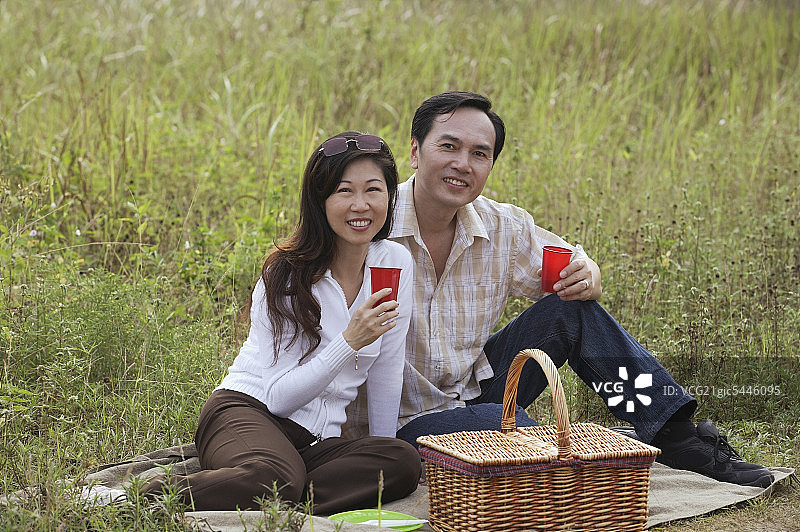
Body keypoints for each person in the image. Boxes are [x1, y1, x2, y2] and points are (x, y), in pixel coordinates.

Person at [344, 91, 773, 488]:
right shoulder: (368, 222)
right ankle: (556, 448)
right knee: (510, 430)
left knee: (571, 310)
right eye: (449, 146)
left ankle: (675, 435)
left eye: (480, 153)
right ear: (416, 152)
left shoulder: (503, 226)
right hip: (396, 424)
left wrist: (590, 274)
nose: (463, 164)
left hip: (475, 390)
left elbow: (574, 265)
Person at [141, 132, 421, 512]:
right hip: (247, 411)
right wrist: (349, 341)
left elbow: (387, 369)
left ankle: (270, 498)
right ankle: (142, 496)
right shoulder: (288, 276)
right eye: (344, 191)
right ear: (320, 201)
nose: (361, 205)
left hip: (312, 443)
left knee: (402, 462)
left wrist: (381, 449)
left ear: (390, 198)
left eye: (374, 190)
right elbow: (278, 397)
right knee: (276, 478)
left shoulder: (395, 264)